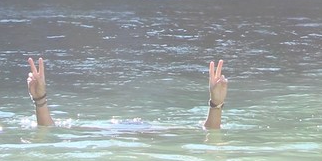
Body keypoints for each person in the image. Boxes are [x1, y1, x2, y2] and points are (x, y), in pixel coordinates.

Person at [26, 55, 229, 130]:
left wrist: (216, 102)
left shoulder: (160, 130)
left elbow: (208, 131)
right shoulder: (101, 130)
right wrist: (39, 99)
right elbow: (51, 130)